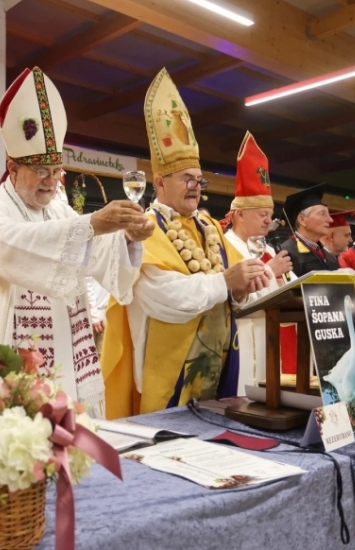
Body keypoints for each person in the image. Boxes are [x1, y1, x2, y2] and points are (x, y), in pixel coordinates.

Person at [0, 67, 153, 417]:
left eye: (56, 172)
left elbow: (96, 255)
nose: (51, 182)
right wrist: (93, 222)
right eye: (41, 171)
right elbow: (12, 245)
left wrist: (128, 238)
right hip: (10, 363)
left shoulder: (61, 213)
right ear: (14, 167)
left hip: (67, 362)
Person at [102, 69, 268, 418]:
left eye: (199, 180)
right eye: (186, 179)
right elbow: (164, 299)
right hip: (169, 370)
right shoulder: (143, 228)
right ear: (159, 182)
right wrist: (226, 282)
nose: (196, 187)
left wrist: (243, 287)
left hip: (219, 365)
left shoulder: (208, 225)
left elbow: (236, 290)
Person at [221, 132, 294, 389]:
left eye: (270, 214)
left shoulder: (268, 250)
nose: (267, 220)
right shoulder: (223, 247)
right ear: (239, 214)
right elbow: (233, 300)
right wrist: (269, 270)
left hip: (268, 339)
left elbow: (286, 298)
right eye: (262, 214)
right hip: (236, 341)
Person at [280, 185, 337, 277]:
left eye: (329, 214)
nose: (330, 220)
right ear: (302, 220)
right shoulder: (286, 253)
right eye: (322, 214)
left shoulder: (329, 256)